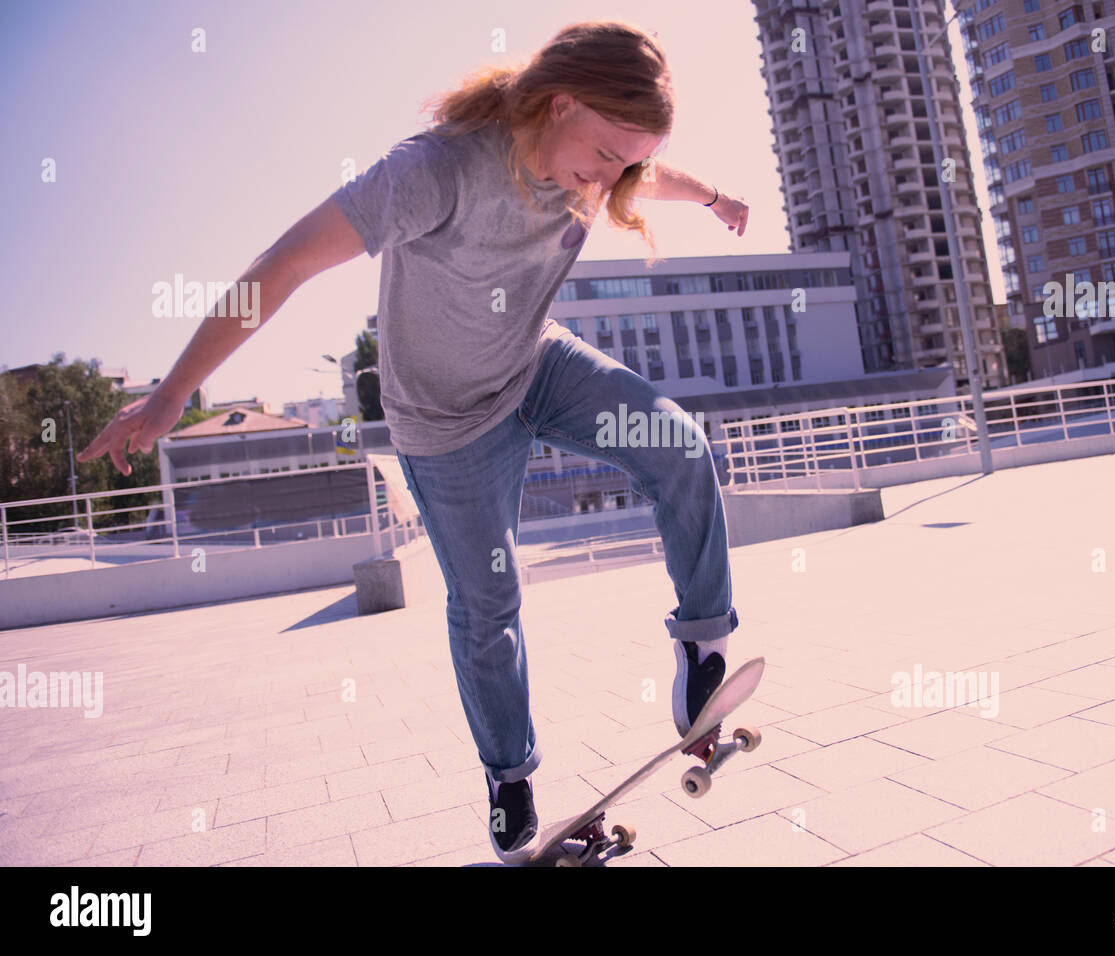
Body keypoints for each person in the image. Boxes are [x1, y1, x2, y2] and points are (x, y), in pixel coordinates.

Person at [77, 19, 748, 864]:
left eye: (628, 163)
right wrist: (174, 391)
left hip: (533, 365)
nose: (612, 178)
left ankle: (704, 648)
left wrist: (716, 196)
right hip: (445, 425)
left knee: (679, 444)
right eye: (606, 154)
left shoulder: (606, 157)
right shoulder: (433, 171)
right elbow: (281, 266)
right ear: (560, 102)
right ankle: (510, 777)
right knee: (488, 607)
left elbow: (655, 175)